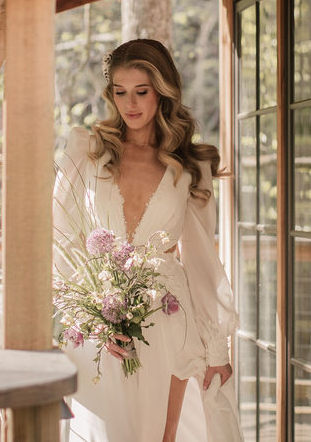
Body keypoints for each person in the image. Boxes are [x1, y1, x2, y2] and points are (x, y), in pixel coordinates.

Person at [52, 39, 243, 442]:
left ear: (163, 91)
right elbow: (58, 235)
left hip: (169, 322)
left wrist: (217, 351)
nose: (130, 103)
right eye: (120, 92)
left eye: (142, 91)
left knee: (160, 437)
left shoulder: (190, 165)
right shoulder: (88, 151)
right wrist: (91, 318)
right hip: (102, 323)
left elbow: (201, 262)